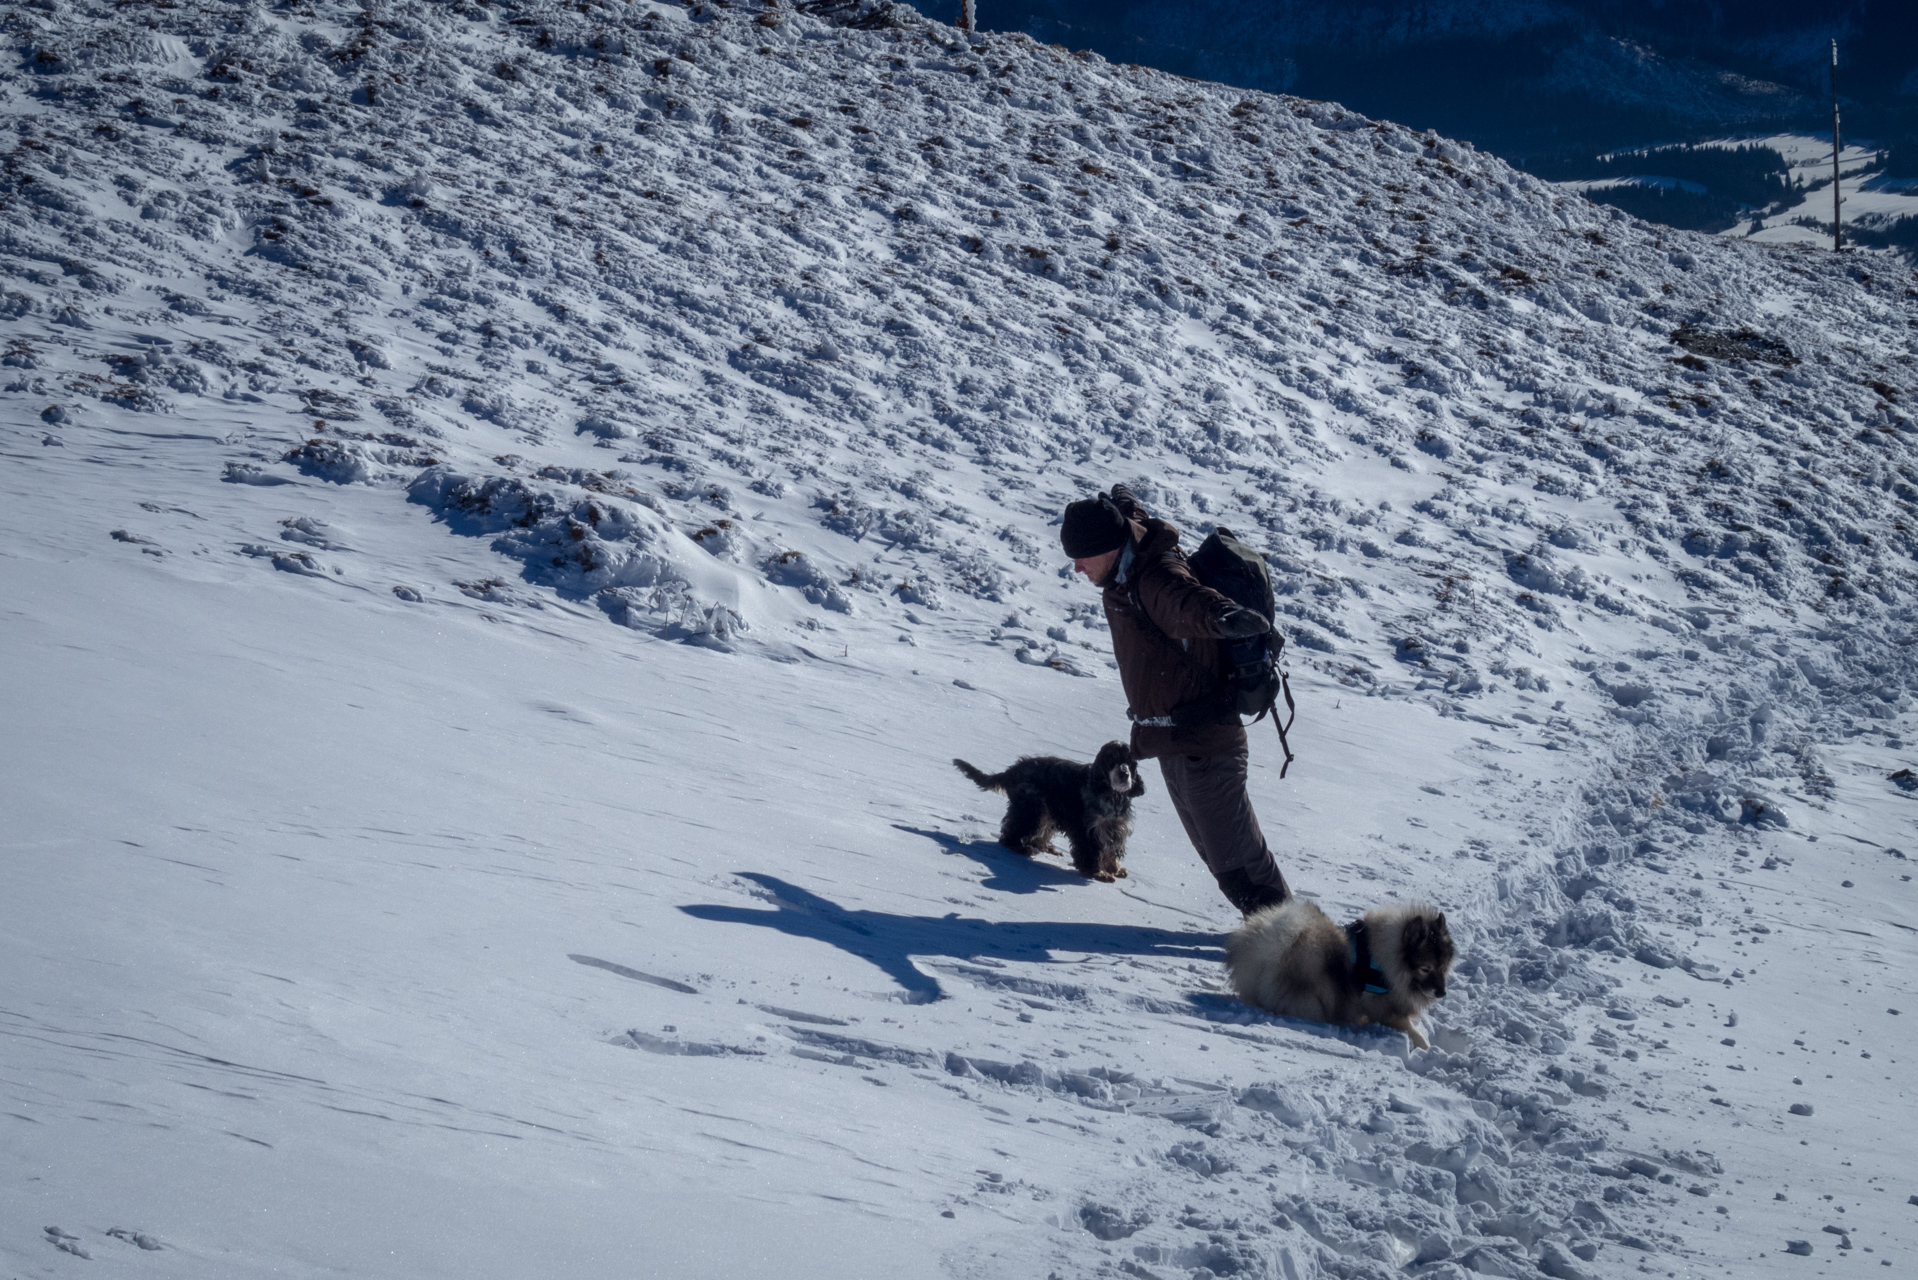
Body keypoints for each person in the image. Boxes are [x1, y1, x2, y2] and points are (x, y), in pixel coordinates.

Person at [1059, 485, 1290, 916]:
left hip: (1205, 743)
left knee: (1239, 860)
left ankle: (1299, 948)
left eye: (1081, 557)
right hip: (1174, 743)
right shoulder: (1128, 560)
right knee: (1220, 858)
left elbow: (1187, 602)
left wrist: (1224, 617)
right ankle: (1277, 937)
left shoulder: (1154, 576)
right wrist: (1123, 502)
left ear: (1108, 548)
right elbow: (1133, 519)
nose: (1076, 568)